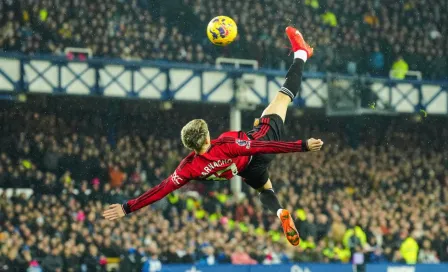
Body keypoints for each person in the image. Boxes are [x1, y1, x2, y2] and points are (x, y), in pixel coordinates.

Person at [103, 26, 323, 247]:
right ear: (207, 137)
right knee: (283, 98)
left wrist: (127, 207)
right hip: (259, 147)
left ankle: (279, 211)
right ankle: (301, 53)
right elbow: (259, 147)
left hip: (246, 170)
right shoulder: (225, 144)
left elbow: (160, 190)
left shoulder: (188, 167)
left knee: (265, 189)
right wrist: (302, 145)